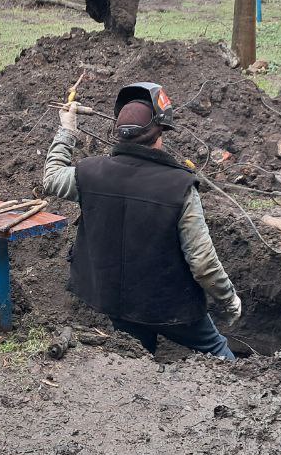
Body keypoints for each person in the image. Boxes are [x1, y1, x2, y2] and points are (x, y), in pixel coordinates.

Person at [43, 82, 242, 358]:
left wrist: (67, 130)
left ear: (119, 134)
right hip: (171, 307)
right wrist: (229, 301)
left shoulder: (90, 173)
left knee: (138, 353)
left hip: (114, 299)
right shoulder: (179, 186)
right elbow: (203, 263)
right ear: (159, 133)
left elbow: (51, 178)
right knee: (215, 348)